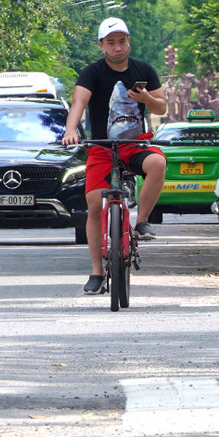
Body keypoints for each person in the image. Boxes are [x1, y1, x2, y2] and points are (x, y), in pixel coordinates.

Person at [62, 17, 168, 295]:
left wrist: (146, 99)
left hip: (135, 145)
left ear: (128, 42)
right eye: (111, 42)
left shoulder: (143, 69)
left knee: (157, 161)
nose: (117, 47)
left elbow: (161, 108)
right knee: (94, 202)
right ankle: (97, 271)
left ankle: (142, 220)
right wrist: (71, 130)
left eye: (122, 41)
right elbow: (79, 102)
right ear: (101, 45)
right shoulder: (91, 73)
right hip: (101, 147)